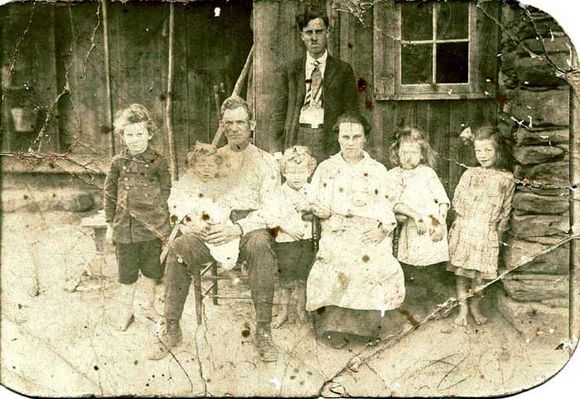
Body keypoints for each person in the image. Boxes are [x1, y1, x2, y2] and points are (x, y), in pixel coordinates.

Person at [149, 96, 282, 362]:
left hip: (247, 228)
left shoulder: (266, 162)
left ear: (252, 124)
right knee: (179, 248)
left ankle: (264, 331)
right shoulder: (209, 159)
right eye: (228, 123)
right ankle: (172, 326)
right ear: (222, 125)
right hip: (209, 227)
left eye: (240, 122)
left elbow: (273, 211)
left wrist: (239, 228)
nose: (234, 128)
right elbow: (179, 198)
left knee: (261, 245)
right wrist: (191, 222)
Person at [305, 112, 405, 348]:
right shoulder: (326, 168)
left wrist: (383, 230)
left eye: (356, 137)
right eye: (345, 136)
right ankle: (334, 327)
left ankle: (370, 329)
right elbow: (313, 200)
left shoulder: (378, 169)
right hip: (336, 228)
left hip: (371, 229)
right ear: (338, 138)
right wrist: (324, 215)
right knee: (336, 262)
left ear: (365, 139)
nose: (350, 142)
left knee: (373, 264)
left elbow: (387, 205)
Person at [103, 104, 171, 331]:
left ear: (149, 134)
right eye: (129, 135)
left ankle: (150, 307)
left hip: (151, 227)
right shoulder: (117, 163)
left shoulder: (159, 162)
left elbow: (166, 191)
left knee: (152, 270)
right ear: (122, 136)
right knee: (127, 274)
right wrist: (109, 224)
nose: (135, 140)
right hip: (124, 228)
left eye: (140, 134)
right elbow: (110, 193)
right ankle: (126, 311)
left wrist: (161, 220)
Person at [447, 127, 515, 327]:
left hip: (487, 232)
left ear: (498, 151)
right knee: (461, 274)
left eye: (488, 150)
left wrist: (500, 229)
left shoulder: (506, 178)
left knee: (480, 278)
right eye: (478, 151)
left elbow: (506, 207)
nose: (482, 156)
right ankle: (463, 310)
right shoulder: (470, 174)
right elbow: (457, 199)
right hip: (466, 229)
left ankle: (475, 307)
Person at [273, 9, 358, 163]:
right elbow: (279, 110)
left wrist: (342, 146)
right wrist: (278, 150)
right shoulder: (290, 70)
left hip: (329, 139)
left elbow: (350, 111)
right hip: (297, 135)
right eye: (308, 32)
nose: (314, 38)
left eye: (319, 32)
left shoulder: (343, 70)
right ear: (301, 35)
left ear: (327, 33)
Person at [387, 127, 450, 317]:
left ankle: (439, 303)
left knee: (432, 266)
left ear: (422, 154)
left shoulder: (427, 173)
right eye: (404, 152)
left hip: (432, 224)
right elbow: (394, 203)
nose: (409, 157)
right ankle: (418, 305)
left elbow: (443, 200)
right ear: (396, 153)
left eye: (414, 152)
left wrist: (440, 221)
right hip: (411, 227)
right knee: (414, 267)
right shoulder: (392, 175)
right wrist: (414, 215)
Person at [167, 142, 239, 270]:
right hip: (193, 230)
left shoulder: (222, 185)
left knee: (226, 244)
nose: (206, 169)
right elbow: (176, 208)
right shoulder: (185, 184)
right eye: (201, 165)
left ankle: (226, 260)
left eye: (211, 165)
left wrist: (217, 223)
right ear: (193, 167)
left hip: (218, 229)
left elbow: (226, 208)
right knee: (179, 247)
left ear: (218, 167)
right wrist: (189, 224)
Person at [271, 146, 321, 329]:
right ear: (284, 172)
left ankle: (301, 307)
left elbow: (320, 209)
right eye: (291, 172)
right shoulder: (279, 193)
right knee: (285, 279)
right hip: (285, 242)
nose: (297, 176)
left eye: (301, 172)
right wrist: (288, 229)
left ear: (310, 171)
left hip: (307, 240)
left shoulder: (312, 191)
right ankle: (283, 311)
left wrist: (309, 207)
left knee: (302, 276)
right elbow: (273, 218)